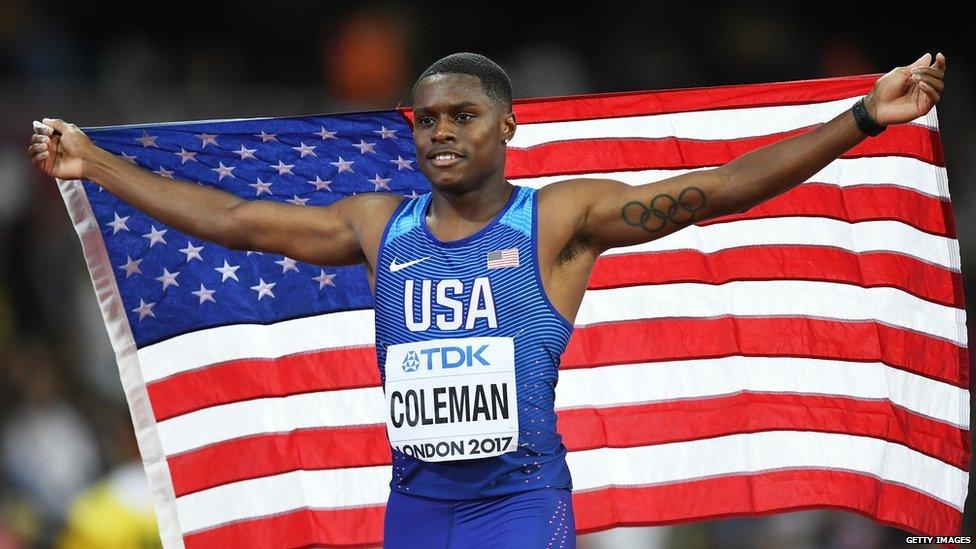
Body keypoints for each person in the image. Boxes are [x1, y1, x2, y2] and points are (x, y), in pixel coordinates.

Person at [28, 51, 946, 549]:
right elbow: (235, 219)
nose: (439, 133)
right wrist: (96, 163)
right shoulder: (376, 223)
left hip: (518, 507)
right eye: (425, 119)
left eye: (461, 116)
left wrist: (862, 117)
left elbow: (722, 187)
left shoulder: (556, 221)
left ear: (508, 126)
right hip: (417, 509)